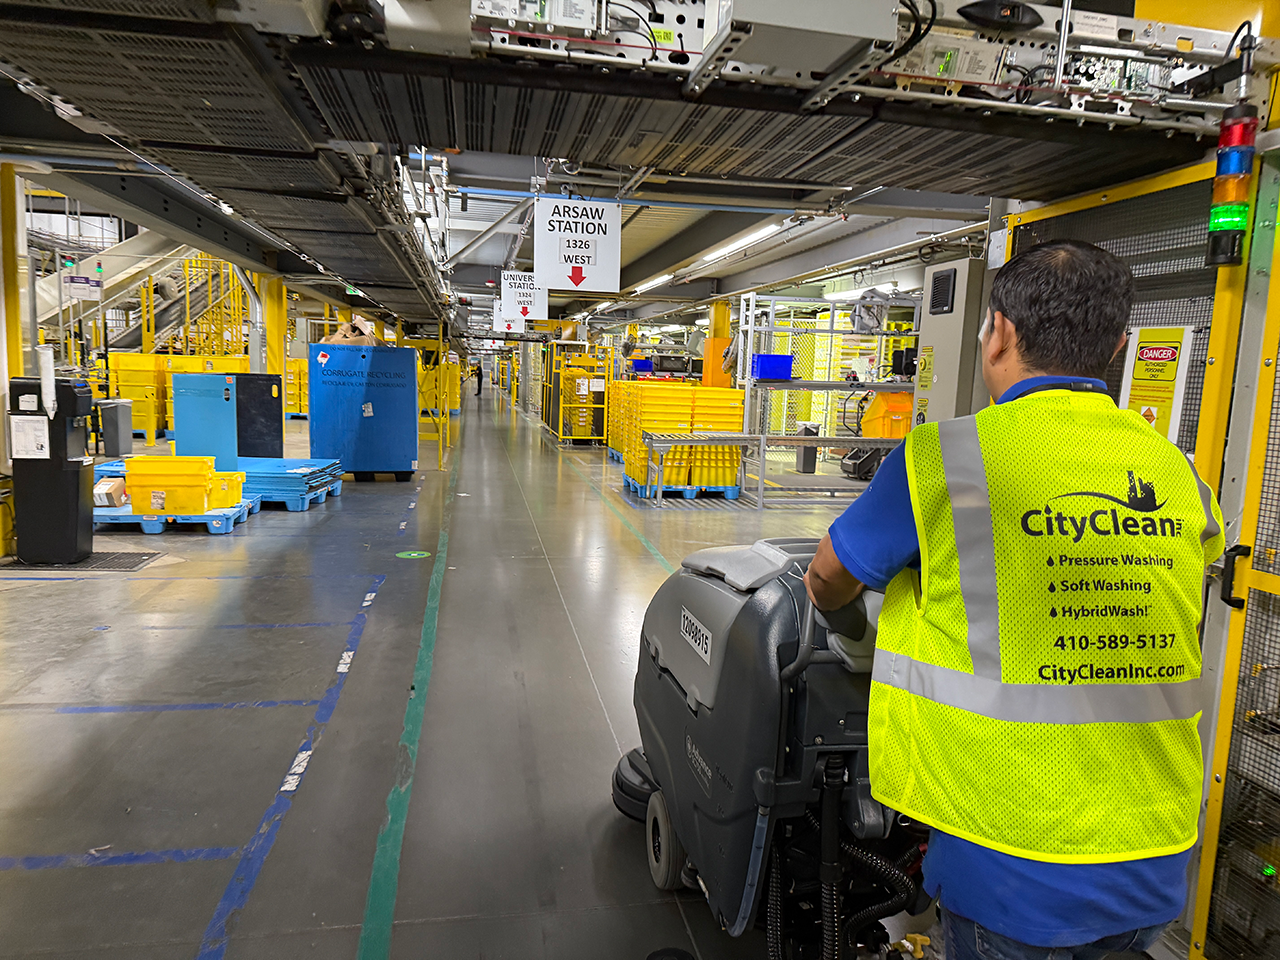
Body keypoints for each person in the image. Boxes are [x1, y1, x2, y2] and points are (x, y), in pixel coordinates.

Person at [803, 240, 1224, 960]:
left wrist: (853, 633)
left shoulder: (944, 456)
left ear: (997, 331)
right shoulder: (1177, 469)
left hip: (1011, 858)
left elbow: (828, 576)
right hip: (1155, 859)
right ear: (1118, 346)